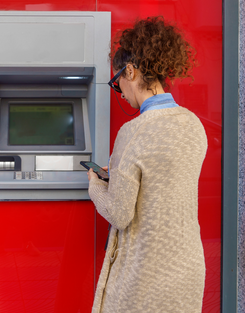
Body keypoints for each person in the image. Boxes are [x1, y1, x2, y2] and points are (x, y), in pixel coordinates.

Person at [87, 16, 207, 313]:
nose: (121, 93)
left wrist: (95, 185)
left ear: (129, 71)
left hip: (146, 278)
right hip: (187, 270)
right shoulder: (193, 125)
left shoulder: (134, 131)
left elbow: (119, 213)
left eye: (118, 84)